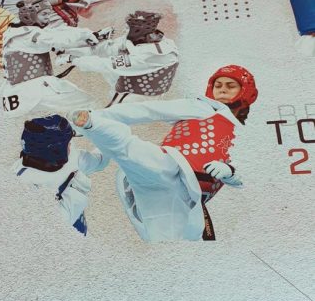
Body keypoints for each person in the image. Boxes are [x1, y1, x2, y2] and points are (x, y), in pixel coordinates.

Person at [69, 65, 258, 242]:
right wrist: (98, 116)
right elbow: (147, 110)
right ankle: (90, 123)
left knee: (168, 243)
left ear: (245, 91)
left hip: (189, 199)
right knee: (128, 149)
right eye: (218, 85)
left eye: (230, 86)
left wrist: (230, 172)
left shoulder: (243, 134)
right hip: (171, 167)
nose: (222, 90)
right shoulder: (203, 107)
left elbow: (246, 174)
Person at [0, 0, 100, 117]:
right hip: (34, 91)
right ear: (31, 15)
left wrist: (91, 36)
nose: (48, 18)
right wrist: (86, 34)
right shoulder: (29, 35)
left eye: (48, 14)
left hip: (18, 94)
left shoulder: (16, 32)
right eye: (44, 14)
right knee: (86, 103)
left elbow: (56, 34)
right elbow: (56, 39)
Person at [57, 11, 179, 104]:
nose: (125, 30)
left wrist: (74, 59)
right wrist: (96, 39)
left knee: (109, 116)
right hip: (128, 85)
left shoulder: (153, 54)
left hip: (141, 96)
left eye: (128, 28)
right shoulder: (141, 38)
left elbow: (108, 64)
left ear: (138, 31)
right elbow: (108, 50)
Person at [13, 115, 108, 235]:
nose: (70, 145)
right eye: (67, 143)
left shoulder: (68, 158)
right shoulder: (28, 192)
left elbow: (99, 160)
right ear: (56, 151)